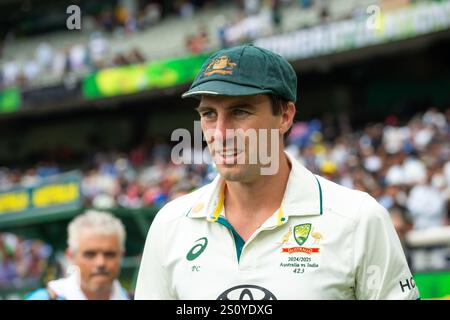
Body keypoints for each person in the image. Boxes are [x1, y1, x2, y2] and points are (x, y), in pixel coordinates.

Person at [135, 44, 420, 300]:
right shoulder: (170, 224)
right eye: (209, 114)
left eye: (240, 112)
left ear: (284, 116)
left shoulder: (358, 219)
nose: (220, 133)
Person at [25, 210, 130, 300]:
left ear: (121, 256)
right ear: (71, 256)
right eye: (90, 254)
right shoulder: (44, 298)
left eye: (109, 254)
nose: (100, 263)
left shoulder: (140, 296)